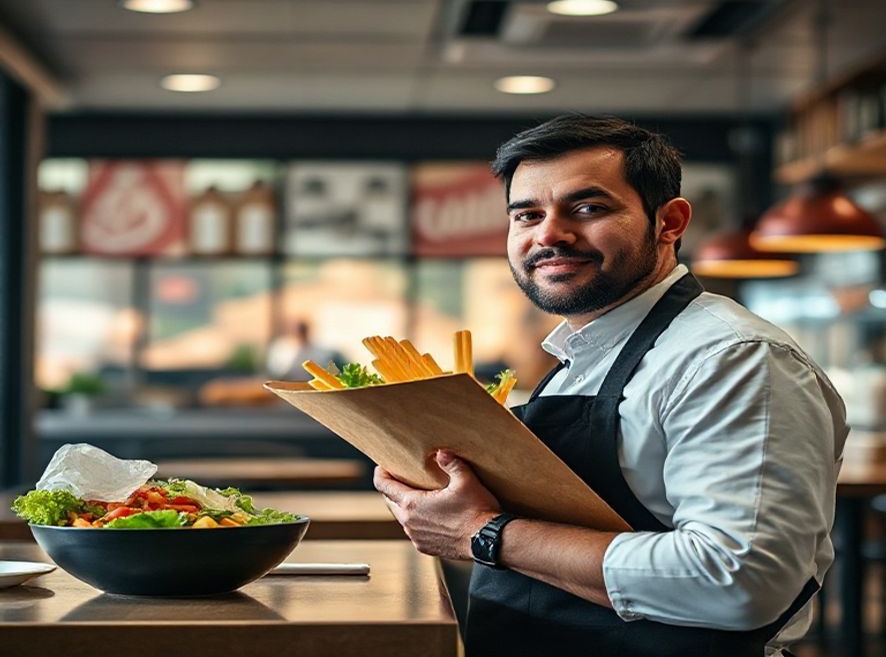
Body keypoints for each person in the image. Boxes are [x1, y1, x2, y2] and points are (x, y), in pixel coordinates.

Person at [373, 116, 848, 657]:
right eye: (527, 214)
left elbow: (737, 583)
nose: (548, 233)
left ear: (669, 222)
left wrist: (483, 533)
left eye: (588, 208)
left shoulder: (733, 358)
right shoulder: (579, 356)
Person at [265, 319, 345, 381]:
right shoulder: (281, 349)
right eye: (297, 333)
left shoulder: (318, 350)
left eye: (302, 333)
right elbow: (275, 373)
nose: (300, 336)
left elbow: (331, 370)